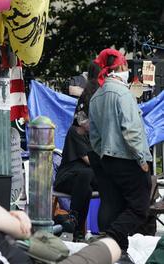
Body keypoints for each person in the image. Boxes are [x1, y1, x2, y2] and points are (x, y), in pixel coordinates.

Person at [88, 48, 152, 263]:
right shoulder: (123, 93)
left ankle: (118, 251)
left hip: (107, 158)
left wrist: (102, 154)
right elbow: (131, 130)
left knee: (113, 204)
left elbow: (94, 136)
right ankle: (113, 236)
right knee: (139, 207)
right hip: (128, 158)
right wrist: (142, 159)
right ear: (121, 67)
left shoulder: (96, 96)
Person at [54, 62, 101, 241]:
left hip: (87, 181)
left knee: (88, 182)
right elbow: (90, 160)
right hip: (69, 178)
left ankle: (75, 224)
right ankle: (76, 223)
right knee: (86, 173)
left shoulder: (99, 134)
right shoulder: (76, 132)